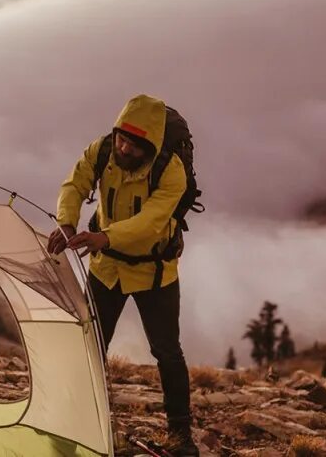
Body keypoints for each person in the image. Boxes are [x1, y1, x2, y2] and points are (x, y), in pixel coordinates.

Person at [47, 94, 197, 456]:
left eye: (132, 144)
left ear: (149, 146)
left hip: (154, 271)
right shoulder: (102, 150)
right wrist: (66, 220)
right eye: (120, 138)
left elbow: (151, 223)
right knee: (90, 345)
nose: (123, 147)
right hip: (106, 267)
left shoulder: (170, 171)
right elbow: (75, 183)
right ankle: (77, 422)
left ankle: (181, 437)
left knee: (166, 352)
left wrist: (103, 236)